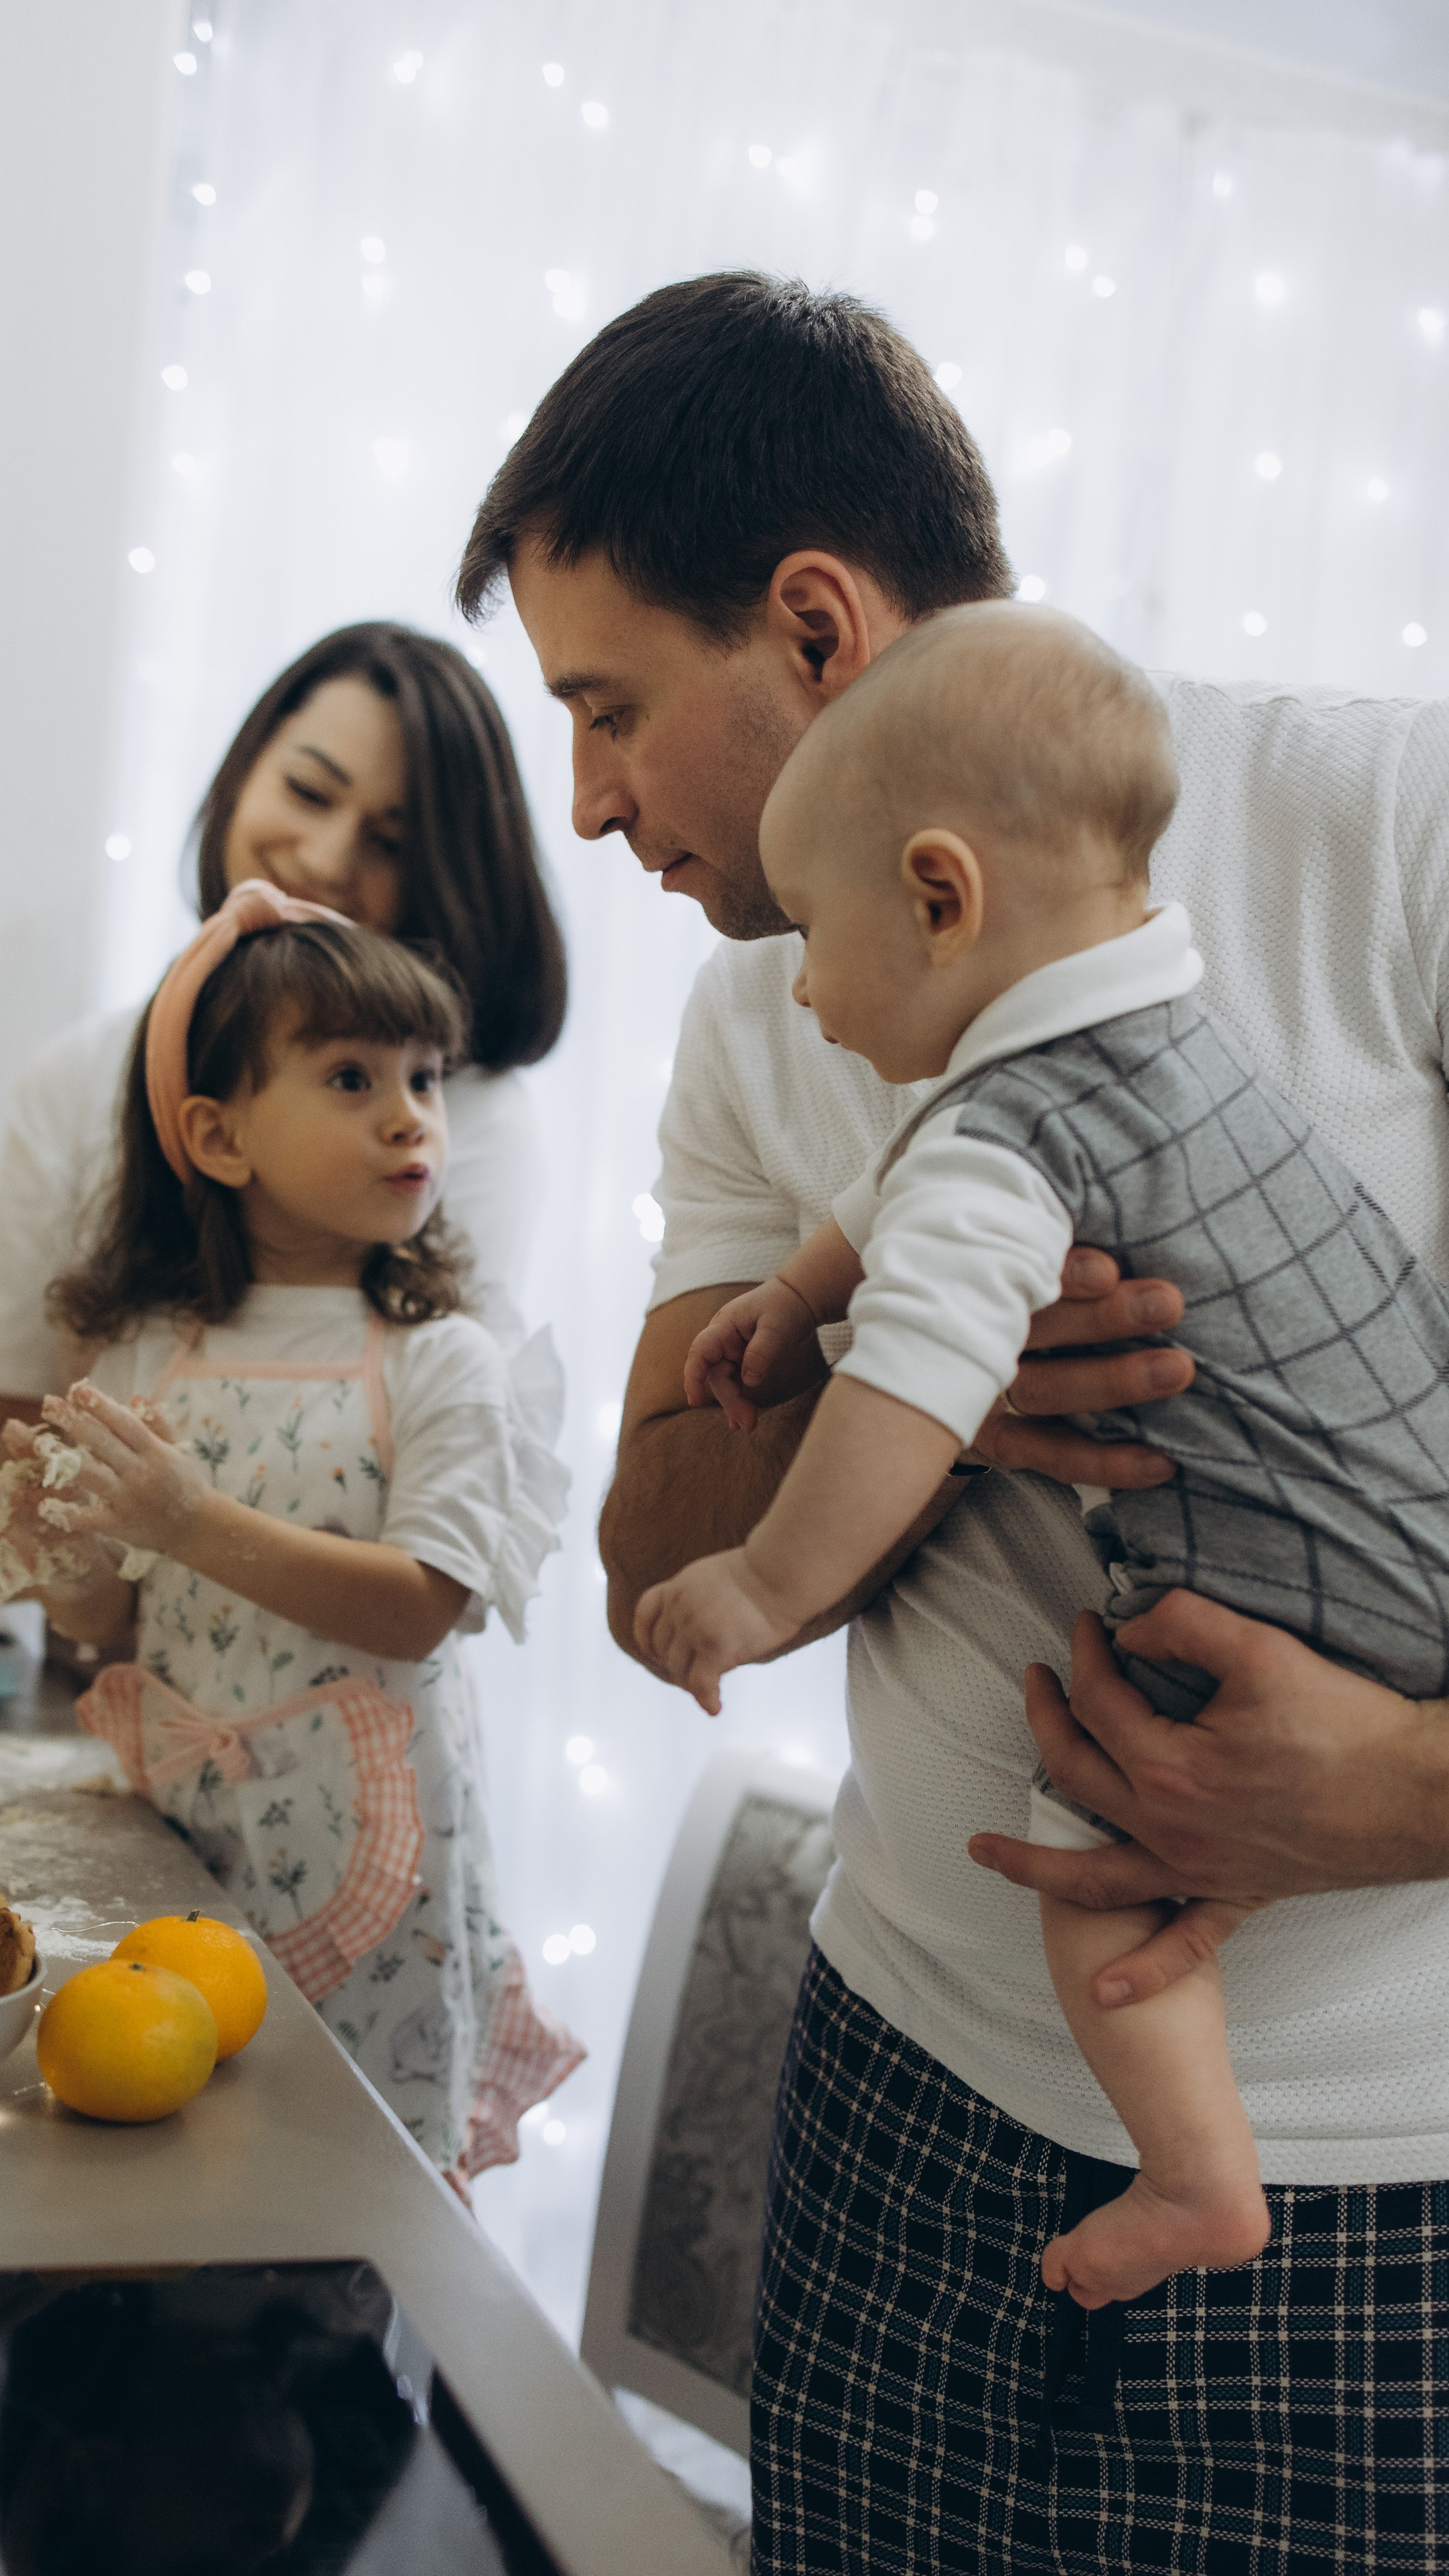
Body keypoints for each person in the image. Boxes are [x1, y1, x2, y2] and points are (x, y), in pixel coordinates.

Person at [457, 273, 1449, 2569]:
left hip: (1390, 2199)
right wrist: (922, 1367)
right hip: (901, 2108)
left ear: (814, 626)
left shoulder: (1385, 840)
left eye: (608, 712)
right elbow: (648, 1561)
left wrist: (1398, 1791)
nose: (587, 805)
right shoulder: (764, 1014)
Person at [641, 598, 1449, 2314]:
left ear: (938, 896)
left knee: (1086, 1830)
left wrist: (765, 1575)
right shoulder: (1145, 1000)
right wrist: (798, 1292)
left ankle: (1194, 2171)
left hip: (1303, 1625)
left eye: (815, 937)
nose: (798, 987)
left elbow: (918, 1381)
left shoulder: (1011, 1134)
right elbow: (894, 1193)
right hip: (1409, 1515)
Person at [0, 625, 567, 1709]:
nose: (323, 858)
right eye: (308, 792)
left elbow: (399, 1539)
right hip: (126, 1722)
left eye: (392, 842)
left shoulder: (465, 1124)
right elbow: (24, 1442)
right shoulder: (75, 1077)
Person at [0, 880, 580, 2180]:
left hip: (383, 1863)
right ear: (220, 1135)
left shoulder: (444, 1363)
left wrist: (190, 1520)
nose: (411, 1116)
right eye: (351, 1078)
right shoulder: (146, 1354)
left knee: (348, 2186)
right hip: (181, 1836)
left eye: (425, 1077)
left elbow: (422, 1601)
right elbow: (107, 1627)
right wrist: (60, 1555)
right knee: (166, 2152)